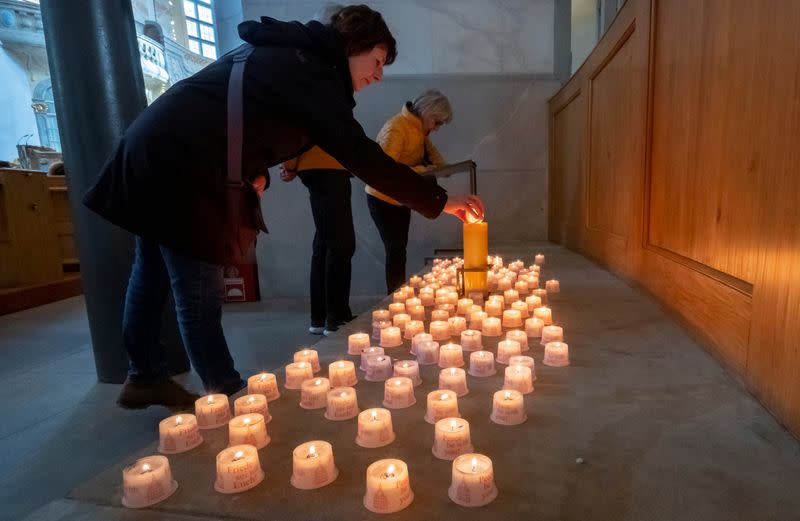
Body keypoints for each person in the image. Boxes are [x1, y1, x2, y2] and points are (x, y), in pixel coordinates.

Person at [84, 6, 485, 410]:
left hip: (156, 150)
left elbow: (246, 120)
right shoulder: (311, 71)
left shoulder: (293, 58)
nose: (379, 74)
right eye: (377, 61)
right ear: (354, 45)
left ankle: (145, 375)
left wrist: (255, 172)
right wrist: (440, 200)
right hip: (181, 164)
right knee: (198, 288)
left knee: (151, 269)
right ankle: (227, 397)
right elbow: (362, 156)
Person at [365, 90, 453, 293]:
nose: (437, 128)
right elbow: (386, 171)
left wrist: (444, 168)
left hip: (401, 198)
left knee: (399, 249)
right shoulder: (396, 128)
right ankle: (394, 298)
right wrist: (424, 170)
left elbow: (432, 154)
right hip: (382, 198)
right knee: (395, 250)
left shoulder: (419, 129)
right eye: (437, 122)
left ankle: (397, 294)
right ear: (428, 113)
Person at [280, 147, 355, 336]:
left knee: (324, 240)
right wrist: (289, 165)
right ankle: (335, 319)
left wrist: (290, 165)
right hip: (328, 166)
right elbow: (303, 124)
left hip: (319, 166)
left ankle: (321, 318)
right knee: (340, 244)